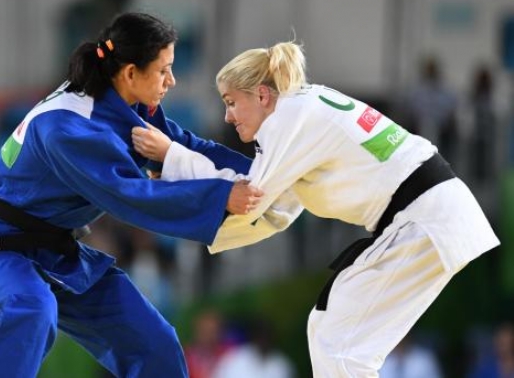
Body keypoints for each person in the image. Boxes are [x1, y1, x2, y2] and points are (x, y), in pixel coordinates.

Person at [131, 41, 500, 376]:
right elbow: (275, 208)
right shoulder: (300, 112)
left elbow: (250, 197)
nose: (227, 116)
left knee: (338, 344)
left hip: (424, 218)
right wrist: (177, 170)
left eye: (230, 102)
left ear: (261, 95)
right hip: (430, 217)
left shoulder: (288, 118)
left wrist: (172, 156)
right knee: (330, 330)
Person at [0, 12, 263, 378]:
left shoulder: (129, 108)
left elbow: (187, 146)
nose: (171, 81)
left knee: (154, 344)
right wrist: (221, 196)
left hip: (56, 250)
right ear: (130, 73)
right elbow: (132, 196)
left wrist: (263, 172)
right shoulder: (68, 127)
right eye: (163, 71)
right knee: (32, 311)